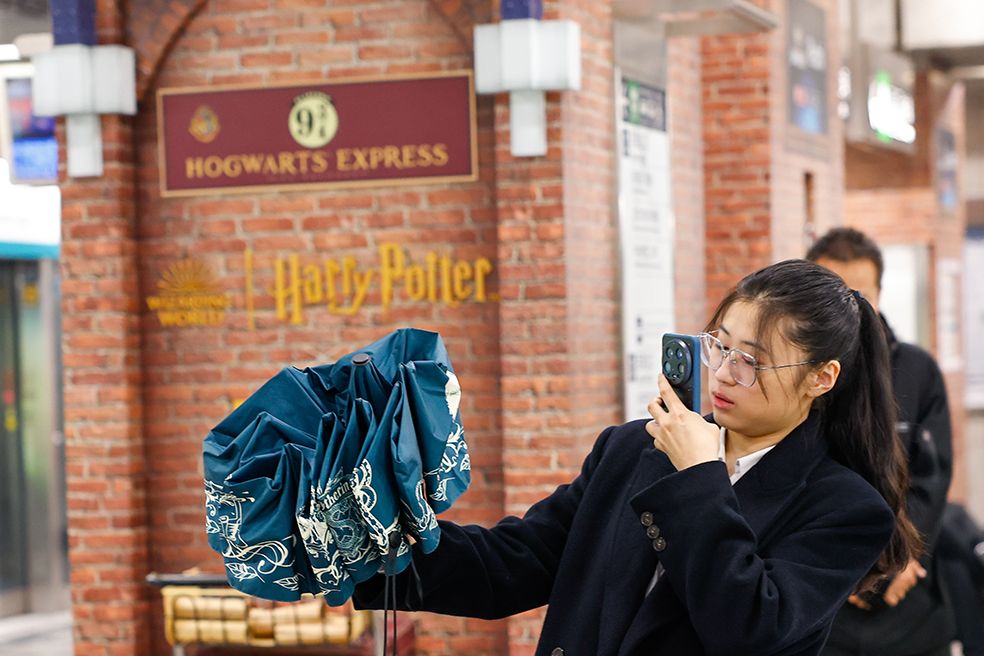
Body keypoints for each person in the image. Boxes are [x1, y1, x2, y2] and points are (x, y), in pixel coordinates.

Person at [355, 259, 920, 656]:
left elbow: (748, 627)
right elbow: (517, 561)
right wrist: (365, 548)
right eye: (719, 345)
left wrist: (700, 477)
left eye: (751, 361)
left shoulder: (845, 508)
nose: (723, 374)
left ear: (822, 378)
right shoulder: (633, 449)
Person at [807, 228, 955, 656]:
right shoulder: (797, 376)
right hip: (822, 592)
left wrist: (901, 560)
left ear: (880, 294)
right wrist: (839, 569)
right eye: (833, 295)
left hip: (907, 590)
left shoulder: (918, 370)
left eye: (860, 296)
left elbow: (932, 478)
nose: (848, 309)